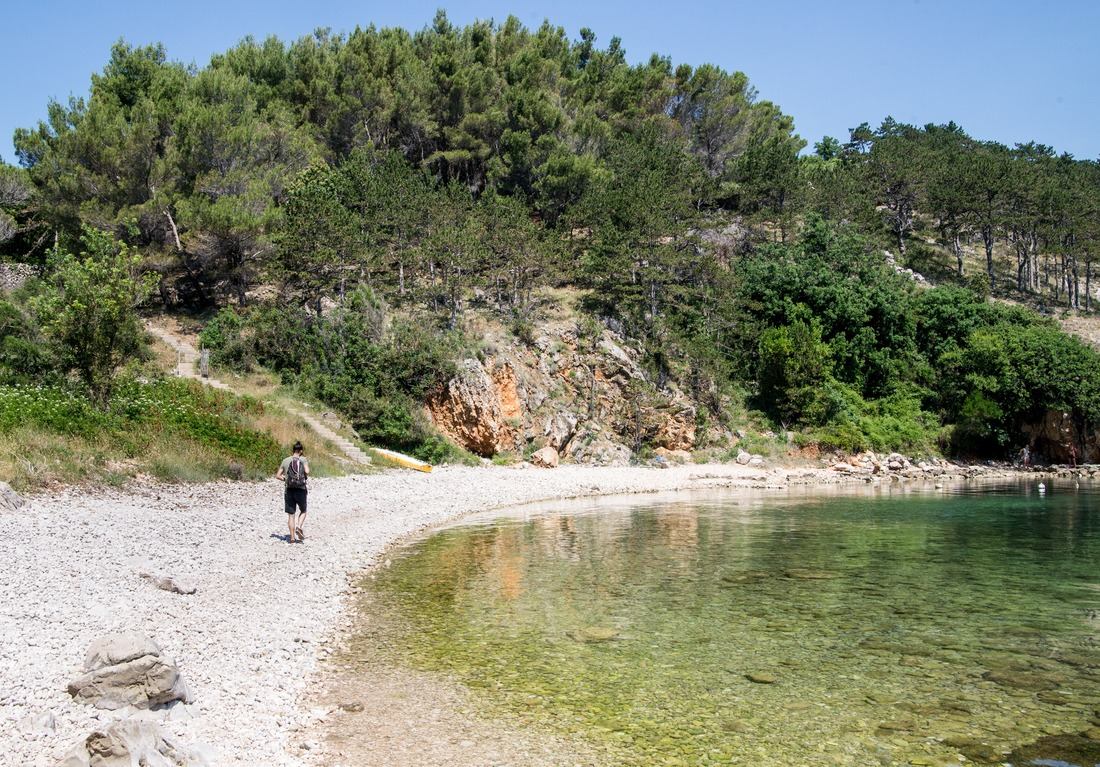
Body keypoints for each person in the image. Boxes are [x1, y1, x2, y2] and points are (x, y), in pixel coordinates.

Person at [276, 441, 310, 543]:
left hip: (289, 490)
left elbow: (278, 476)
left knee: (291, 515)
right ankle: (299, 527)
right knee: (303, 510)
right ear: (301, 451)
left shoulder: (285, 460)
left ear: (293, 450)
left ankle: (291, 538)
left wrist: (286, 479)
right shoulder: (303, 459)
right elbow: (307, 471)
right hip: (301, 489)